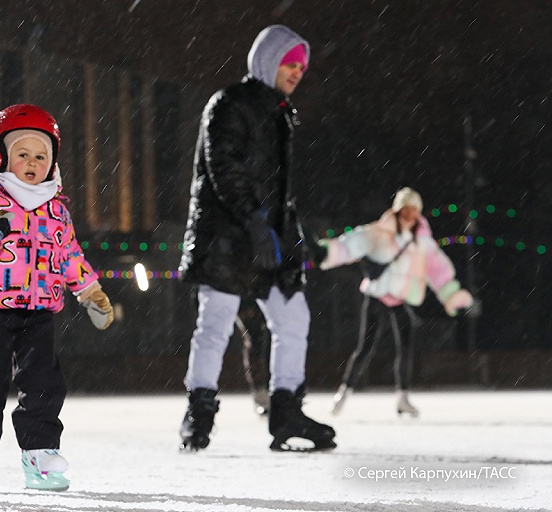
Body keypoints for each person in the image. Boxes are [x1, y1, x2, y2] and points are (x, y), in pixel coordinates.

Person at [177, 24, 336, 452]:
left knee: (293, 318)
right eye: (290, 63)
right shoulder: (230, 104)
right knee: (214, 324)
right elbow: (222, 166)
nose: (298, 71)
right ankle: (199, 414)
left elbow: (280, 185)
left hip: (271, 237)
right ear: (268, 60)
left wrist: (291, 232)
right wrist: (252, 220)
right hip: (227, 236)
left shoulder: (280, 111)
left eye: (302, 65)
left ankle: (285, 413)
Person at [0, 104, 114, 491]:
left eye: (41, 155)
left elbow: (69, 253)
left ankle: (40, 452)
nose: (32, 162)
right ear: (1, 156)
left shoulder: (57, 207)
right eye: (22, 154)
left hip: (39, 309)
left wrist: (89, 290)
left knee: (44, 381)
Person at [313, 187, 474, 416]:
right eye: (405, 209)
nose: (409, 214)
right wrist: (328, 252)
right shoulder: (379, 233)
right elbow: (352, 244)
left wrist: (450, 293)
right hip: (377, 296)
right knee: (365, 348)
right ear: (398, 210)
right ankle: (344, 392)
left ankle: (403, 397)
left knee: (407, 348)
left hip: (400, 300)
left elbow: (437, 269)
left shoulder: (422, 242)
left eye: (413, 209)